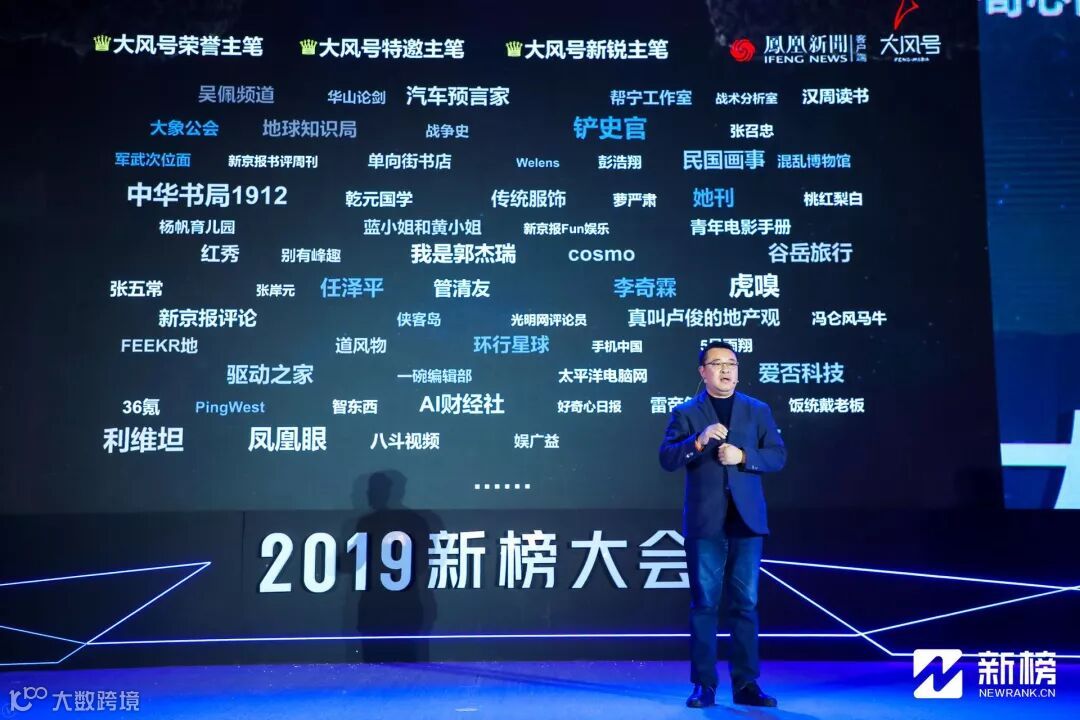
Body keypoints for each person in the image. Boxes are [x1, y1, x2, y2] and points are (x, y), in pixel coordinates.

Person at [659, 341, 787, 708]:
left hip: (747, 521)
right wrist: (698, 442)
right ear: (703, 372)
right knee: (704, 605)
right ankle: (704, 685)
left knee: (745, 604)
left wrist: (743, 456)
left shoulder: (757, 409)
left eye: (731, 363)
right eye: (717, 364)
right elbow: (667, 458)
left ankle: (746, 684)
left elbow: (778, 455)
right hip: (706, 522)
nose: (726, 369)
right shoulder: (686, 412)